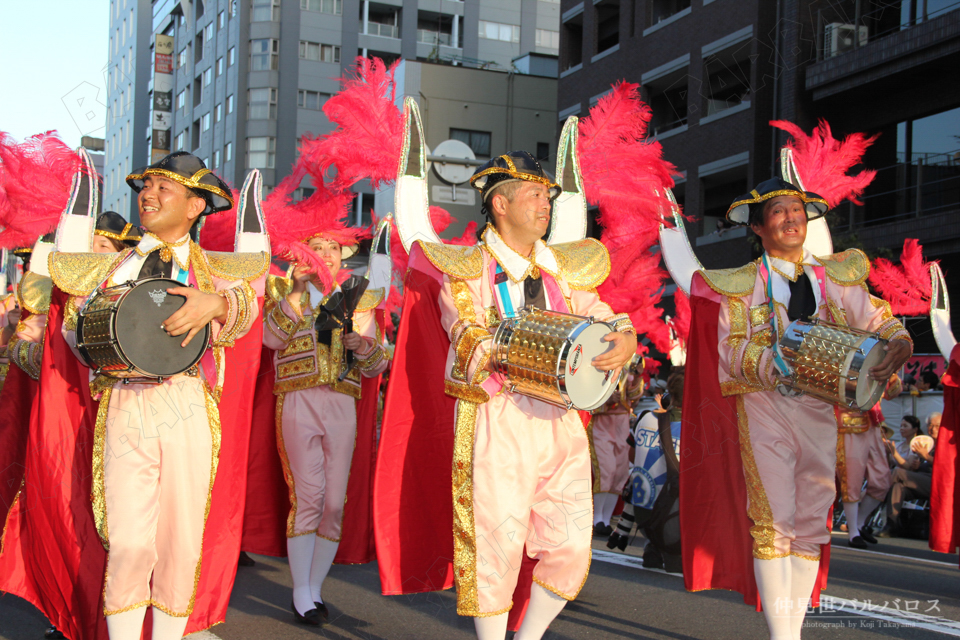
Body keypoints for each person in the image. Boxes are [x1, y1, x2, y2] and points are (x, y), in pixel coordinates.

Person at [680, 176, 912, 640]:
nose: (791, 218)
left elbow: (879, 320)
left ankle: (793, 631)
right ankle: (782, 636)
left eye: (797, 209)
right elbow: (734, 353)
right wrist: (777, 361)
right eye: (780, 211)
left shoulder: (835, 277)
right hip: (765, 409)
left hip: (821, 412)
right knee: (774, 520)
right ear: (759, 227)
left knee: (811, 523)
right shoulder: (742, 285)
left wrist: (900, 344)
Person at [54, 152, 262, 640]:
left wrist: (217, 303)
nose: (148, 195)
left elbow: (248, 309)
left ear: (195, 206)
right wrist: (95, 334)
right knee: (128, 541)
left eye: (163, 188)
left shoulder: (219, 271)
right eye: (145, 186)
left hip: (188, 404)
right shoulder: (112, 267)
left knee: (181, 539)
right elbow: (75, 334)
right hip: (126, 402)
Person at [263, 232, 388, 625]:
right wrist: (297, 291)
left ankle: (315, 588)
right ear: (302, 256)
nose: (325, 255)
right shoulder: (282, 289)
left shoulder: (360, 298)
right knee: (309, 498)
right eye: (316, 248)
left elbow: (376, 366)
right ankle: (302, 592)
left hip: (342, 403)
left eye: (333, 248)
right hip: (298, 399)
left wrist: (362, 346)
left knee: (334, 503)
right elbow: (270, 339)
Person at [836, 375, 901, 549]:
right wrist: (867, 379)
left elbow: (893, 392)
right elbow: (835, 379)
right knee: (851, 478)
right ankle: (853, 534)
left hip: (874, 424)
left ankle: (858, 523)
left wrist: (891, 369)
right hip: (849, 422)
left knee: (882, 480)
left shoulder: (879, 351)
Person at [590, 362, 643, 536]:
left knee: (620, 473)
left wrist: (638, 377)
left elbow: (634, 397)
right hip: (602, 424)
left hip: (621, 423)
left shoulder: (630, 366)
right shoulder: (596, 365)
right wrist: (605, 401)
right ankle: (596, 518)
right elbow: (585, 400)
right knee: (607, 470)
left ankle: (605, 519)